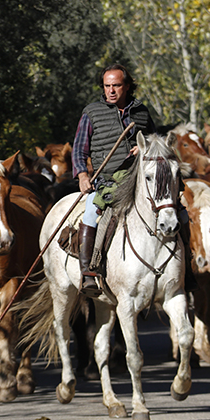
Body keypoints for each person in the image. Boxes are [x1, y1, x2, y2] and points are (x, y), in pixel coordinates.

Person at [71, 64, 156, 297]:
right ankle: (88, 272)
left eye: (116, 85)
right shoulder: (92, 112)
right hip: (106, 181)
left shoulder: (141, 113)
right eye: (107, 86)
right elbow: (79, 149)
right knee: (90, 214)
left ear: (127, 86)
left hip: (139, 180)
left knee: (176, 210)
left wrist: (144, 147)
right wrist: (82, 175)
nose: (111, 91)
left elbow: (155, 142)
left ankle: (186, 269)